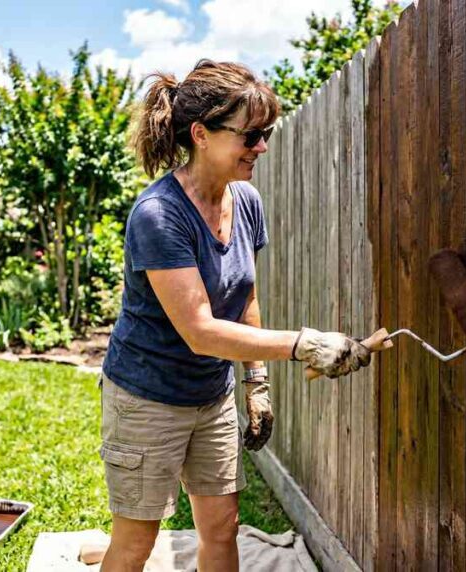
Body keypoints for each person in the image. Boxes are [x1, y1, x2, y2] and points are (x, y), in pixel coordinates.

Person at [98, 59, 393, 572]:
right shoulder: (159, 215)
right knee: (135, 544)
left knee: (221, 527)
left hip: (211, 396)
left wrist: (257, 384)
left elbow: (243, 298)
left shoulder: (247, 201)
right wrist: (304, 344)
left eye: (267, 133)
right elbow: (200, 330)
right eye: (251, 135)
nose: (262, 147)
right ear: (201, 135)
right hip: (146, 398)